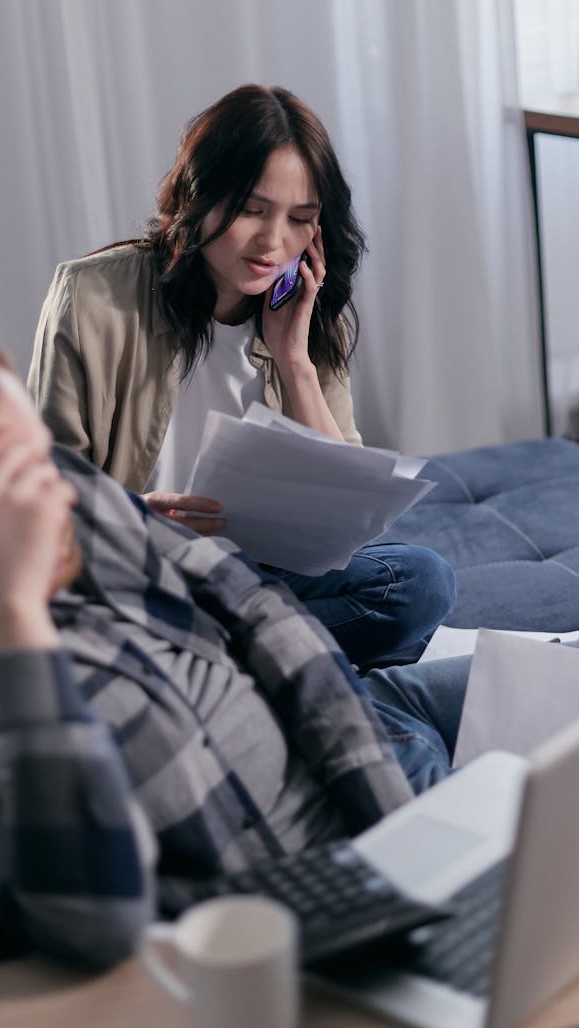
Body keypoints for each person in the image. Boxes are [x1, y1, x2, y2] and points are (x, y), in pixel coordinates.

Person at [0, 309, 457, 972]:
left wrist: (391, 828)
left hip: (345, 740)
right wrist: (13, 618)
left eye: (32, 456)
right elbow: (91, 921)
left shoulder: (55, 477)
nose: (47, 503)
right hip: (295, 914)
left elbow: (253, 604)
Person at [28, 83, 455, 674]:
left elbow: (348, 519)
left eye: (300, 219)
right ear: (197, 197)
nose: (272, 241)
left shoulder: (304, 313)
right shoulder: (93, 297)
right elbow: (44, 496)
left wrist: (294, 360)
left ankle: (209, 664)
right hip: (142, 571)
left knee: (423, 584)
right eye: (252, 210)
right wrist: (136, 518)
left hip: (257, 578)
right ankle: (258, 664)